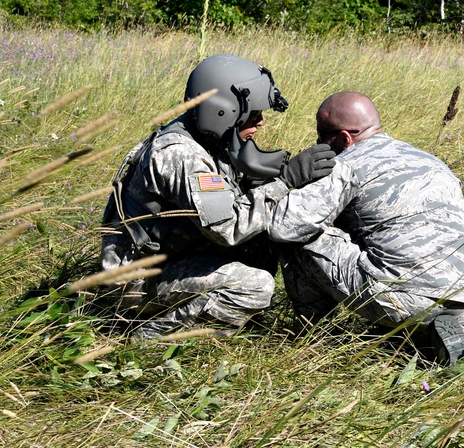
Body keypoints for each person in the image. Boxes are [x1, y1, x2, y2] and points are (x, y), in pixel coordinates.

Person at [101, 54, 334, 340]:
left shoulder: (209, 136)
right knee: (255, 285)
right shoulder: (181, 154)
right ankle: (147, 341)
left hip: (168, 257)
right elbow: (228, 229)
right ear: (223, 112)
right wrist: (286, 182)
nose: (260, 123)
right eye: (253, 115)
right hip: (135, 278)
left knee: (265, 247)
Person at [269, 92, 464, 365]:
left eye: (322, 136)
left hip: (399, 301)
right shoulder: (431, 161)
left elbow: (284, 225)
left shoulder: (347, 164)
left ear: (345, 138)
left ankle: (316, 340)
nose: (318, 144)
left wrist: (286, 183)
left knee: (298, 236)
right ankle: (421, 338)